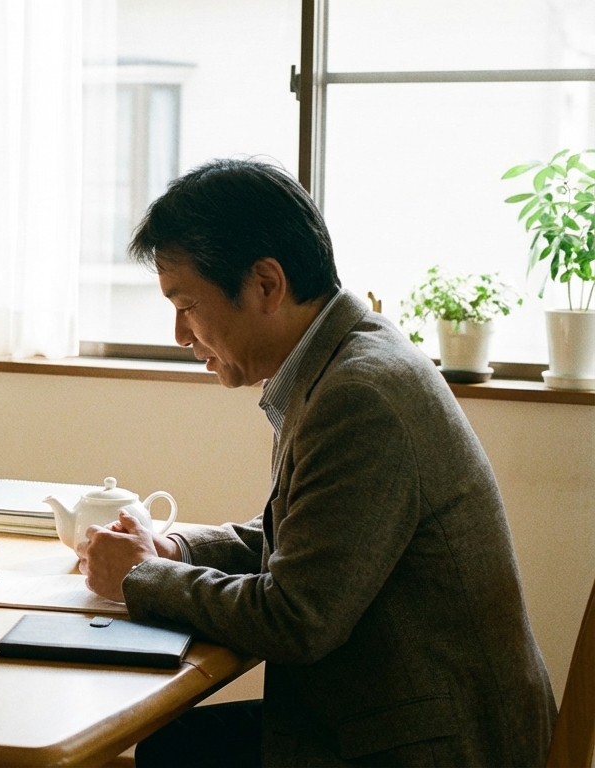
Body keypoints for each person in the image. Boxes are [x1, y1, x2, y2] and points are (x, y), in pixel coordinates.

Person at [77, 158, 556, 767]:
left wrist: (141, 576)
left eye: (187, 304)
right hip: (398, 717)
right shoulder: (341, 358)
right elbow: (300, 539)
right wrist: (175, 551)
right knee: (178, 746)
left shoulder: (360, 396)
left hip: (437, 745)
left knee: (178, 752)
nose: (179, 333)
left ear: (266, 285)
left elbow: (297, 618)